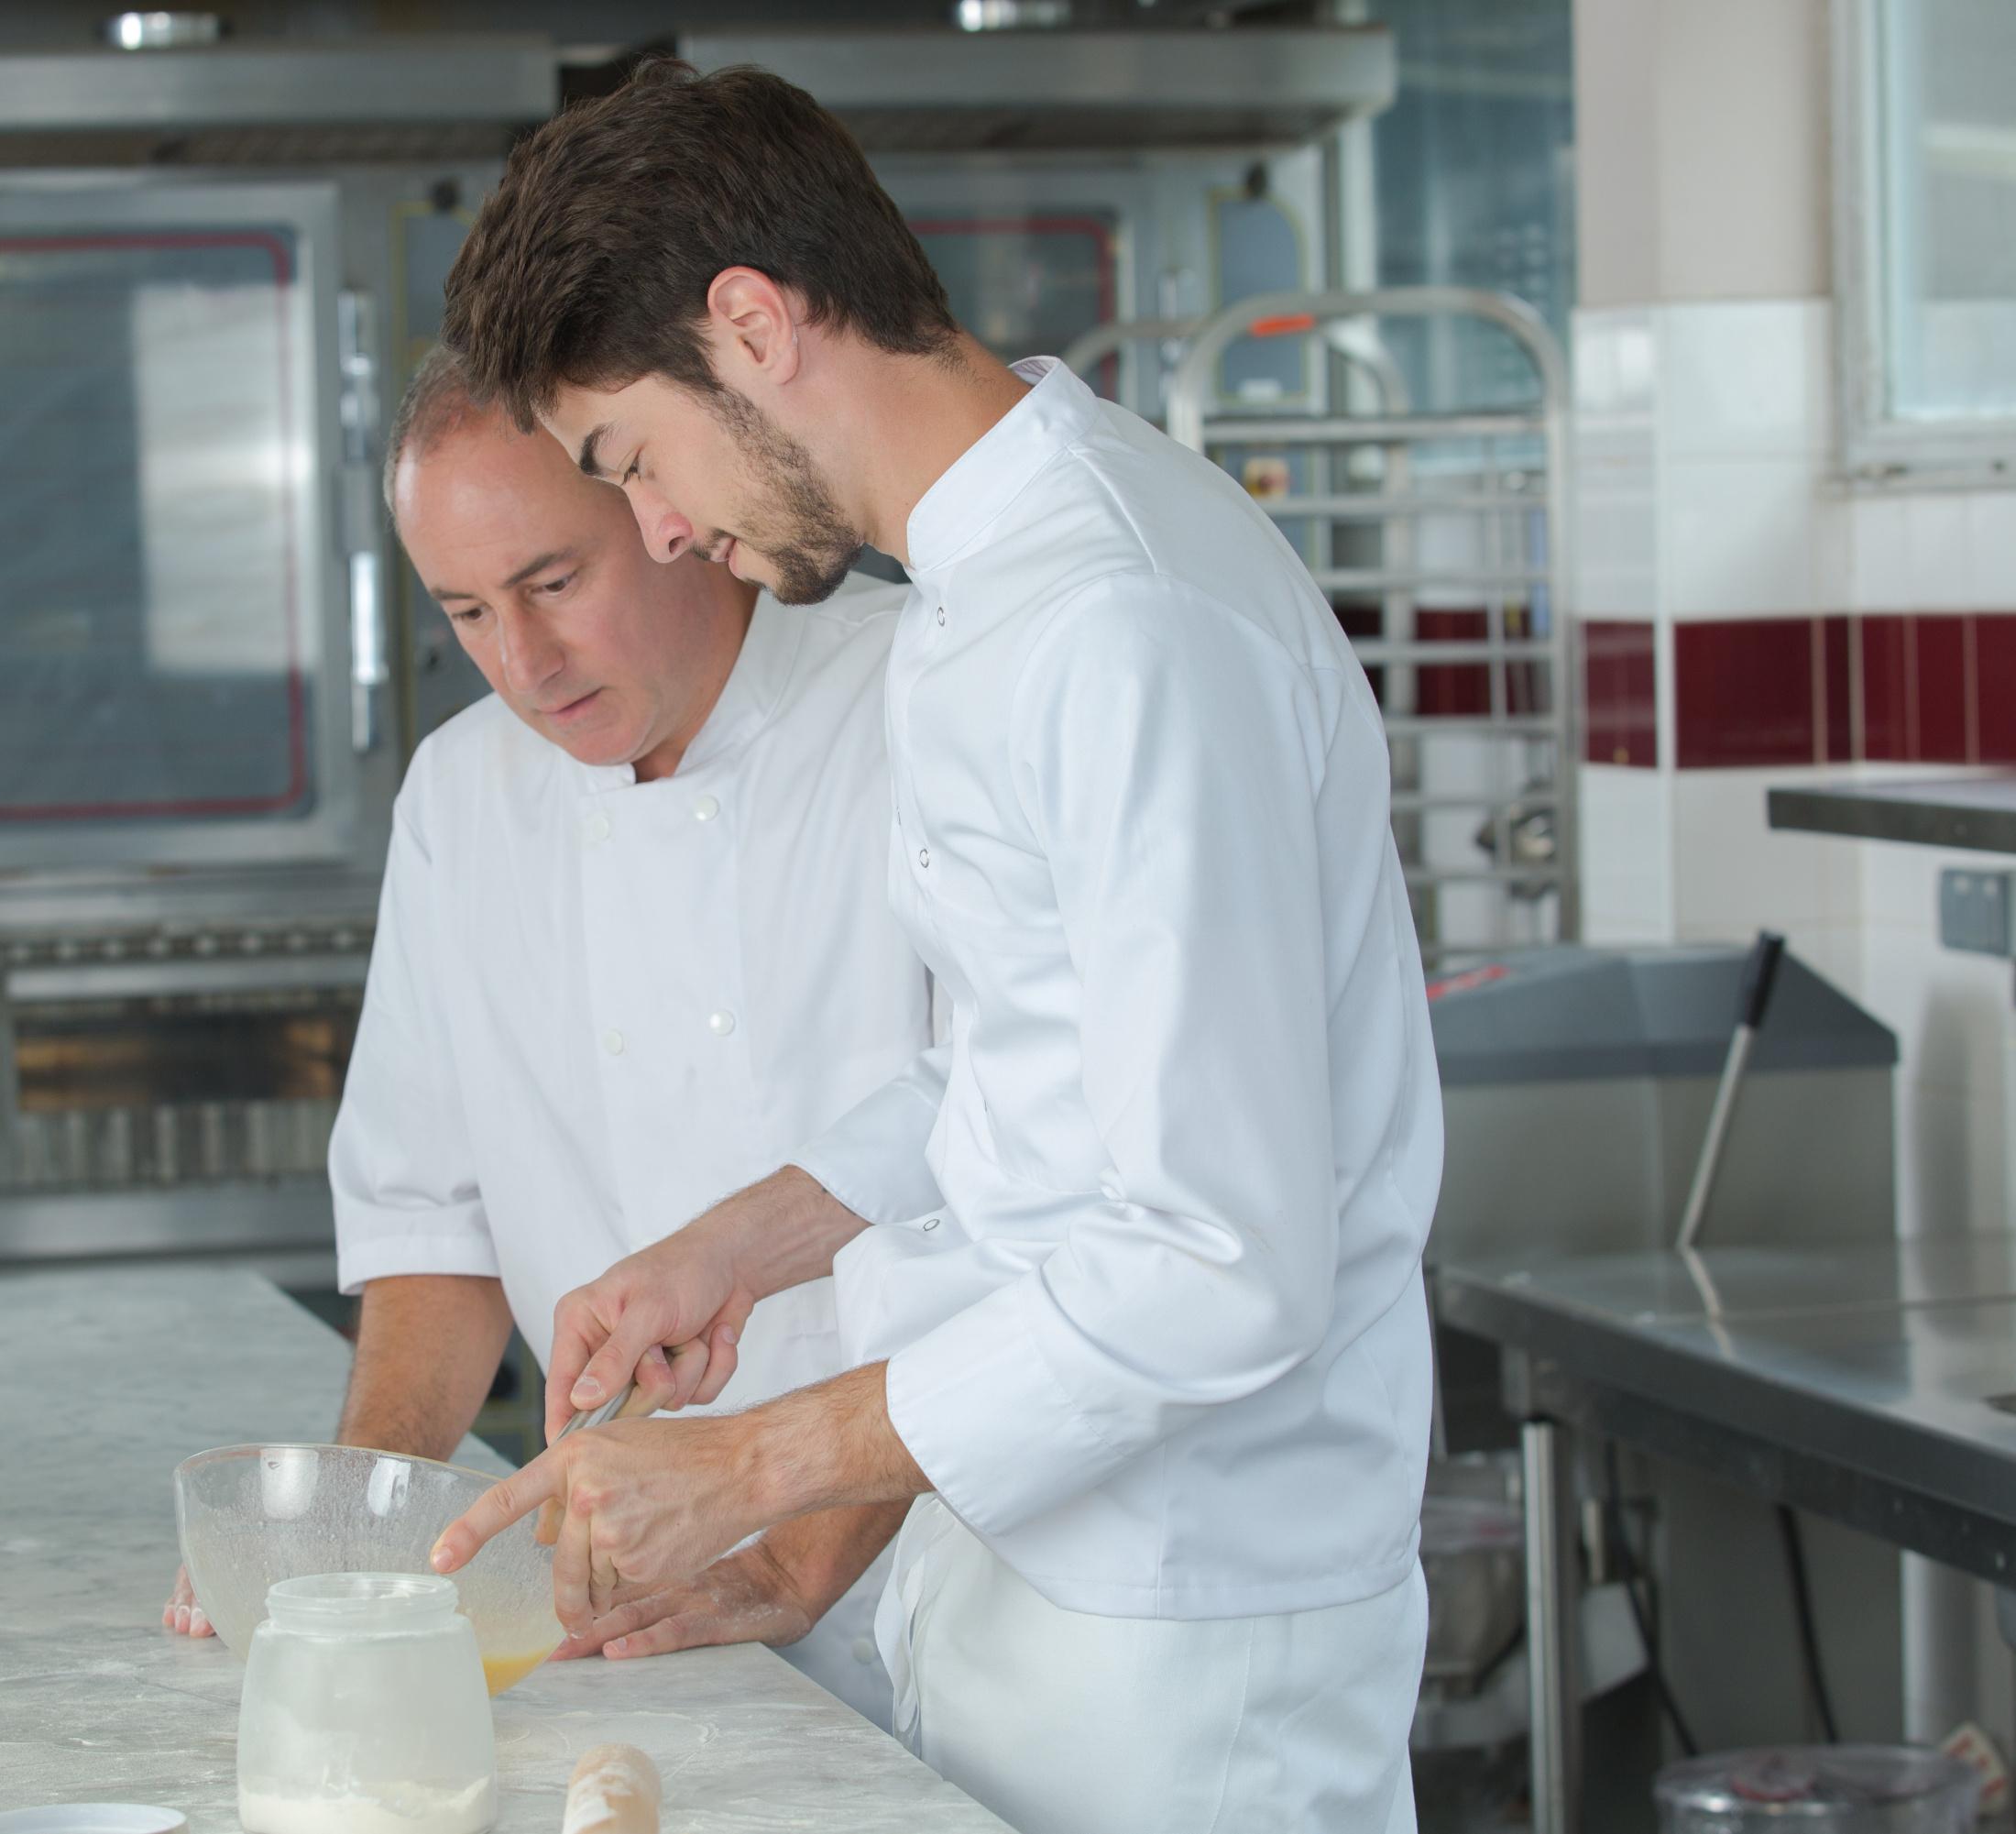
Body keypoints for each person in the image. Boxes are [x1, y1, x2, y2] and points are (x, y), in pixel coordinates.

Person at [426, 63, 1444, 1834]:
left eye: (633, 461)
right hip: (1023, 1577)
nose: (662, 528)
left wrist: (747, 1461)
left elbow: (1219, 1253)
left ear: (750, 325)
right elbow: (1028, 1066)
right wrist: (753, 1237)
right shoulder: (991, 591)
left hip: (1184, 1630)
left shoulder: (1123, 617)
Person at [165, 347, 926, 1726]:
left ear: (665, 501)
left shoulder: (913, 704)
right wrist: (353, 1542)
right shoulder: (463, 796)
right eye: (464, 611)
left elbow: (1008, 1202)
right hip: (627, 1610)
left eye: (551, 584)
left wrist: (795, 1554)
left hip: (931, 1594)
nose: (521, 664)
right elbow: (432, 1231)